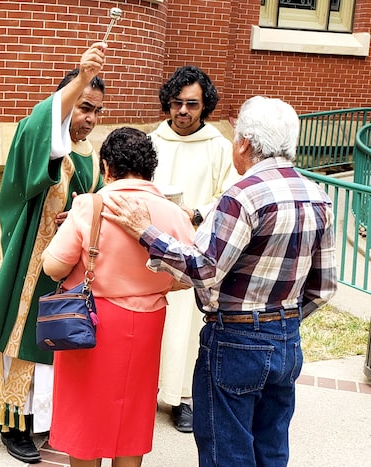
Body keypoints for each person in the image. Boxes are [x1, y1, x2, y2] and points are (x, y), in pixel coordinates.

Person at [103, 96, 338, 467]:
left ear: (244, 143)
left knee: (226, 452)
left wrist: (145, 232)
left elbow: (205, 268)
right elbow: (324, 288)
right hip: (287, 338)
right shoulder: (318, 196)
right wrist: (280, 320)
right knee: (271, 449)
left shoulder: (242, 196)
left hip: (235, 337)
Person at [0, 42, 107, 464]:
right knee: (22, 331)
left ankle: (43, 416)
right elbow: (40, 129)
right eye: (83, 106)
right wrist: (80, 79)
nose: (89, 119)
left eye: (96, 111)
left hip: (68, 261)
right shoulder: (38, 134)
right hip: (30, 257)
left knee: (57, 334)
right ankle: (13, 421)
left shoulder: (93, 155)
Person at [42, 127, 195, 467]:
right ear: (150, 169)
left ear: (106, 167)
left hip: (90, 322)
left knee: (85, 413)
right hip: (147, 322)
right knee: (133, 409)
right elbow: (189, 276)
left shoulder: (91, 205)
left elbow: (54, 266)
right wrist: (155, 285)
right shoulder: (172, 213)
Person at [150, 65, 239, 433]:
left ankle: (181, 396)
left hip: (194, 249)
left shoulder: (219, 148)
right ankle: (146, 388)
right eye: (176, 103)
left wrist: (198, 212)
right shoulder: (152, 141)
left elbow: (230, 197)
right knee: (152, 319)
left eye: (192, 105)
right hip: (152, 247)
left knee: (184, 326)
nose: (183, 112)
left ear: (205, 107)